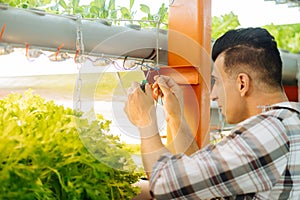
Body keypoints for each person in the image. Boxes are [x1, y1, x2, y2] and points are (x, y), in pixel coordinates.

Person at [124, 27, 300, 199]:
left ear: (242, 83)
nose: (214, 94)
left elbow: (164, 184)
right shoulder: (288, 124)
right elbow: (202, 183)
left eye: (216, 81)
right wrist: (174, 117)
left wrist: (145, 121)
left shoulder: (266, 134)